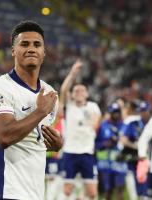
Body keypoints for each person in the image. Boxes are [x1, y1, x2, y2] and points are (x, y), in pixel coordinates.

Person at [0, 20, 63, 200]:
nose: (31, 48)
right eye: (24, 44)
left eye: (37, 44)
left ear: (43, 53)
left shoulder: (49, 93)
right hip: (6, 192)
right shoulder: (0, 88)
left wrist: (56, 145)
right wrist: (40, 112)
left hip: (35, 193)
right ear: (13, 51)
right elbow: (4, 137)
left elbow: (34, 139)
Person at [59, 59, 102, 200]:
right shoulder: (69, 107)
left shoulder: (93, 107)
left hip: (87, 153)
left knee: (92, 193)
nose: (78, 92)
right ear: (72, 95)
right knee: (67, 190)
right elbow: (64, 90)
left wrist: (87, 122)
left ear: (87, 94)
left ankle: (82, 196)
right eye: (76, 90)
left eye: (82, 90)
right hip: (70, 152)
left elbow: (95, 124)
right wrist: (72, 74)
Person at [95, 103, 127, 200]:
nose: (116, 114)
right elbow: (95, 143)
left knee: (120, 189)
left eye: (118, 112)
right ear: (110, 113)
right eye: (114, 112)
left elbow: (129, 142)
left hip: (120, 162)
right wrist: (104, 144)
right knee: (108, 190)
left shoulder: (124, 126)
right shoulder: (103, 126)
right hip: (106, 164)